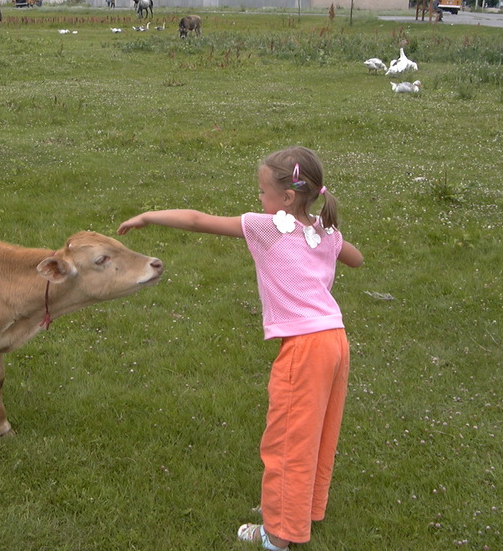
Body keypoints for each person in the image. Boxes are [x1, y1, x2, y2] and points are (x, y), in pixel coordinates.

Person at [117, 146, 363, 550]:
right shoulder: (323, 230)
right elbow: (356, 258)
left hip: (305, 348)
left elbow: (197, 221)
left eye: (263, 192)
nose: (259, 201)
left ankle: (278, 535)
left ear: (286, 198)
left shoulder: (266, 226)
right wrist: (326, 233)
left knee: (286, 440)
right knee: (319, 432)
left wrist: (147, 217)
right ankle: (305, 510)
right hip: (335, 341)